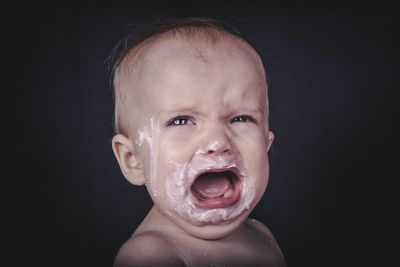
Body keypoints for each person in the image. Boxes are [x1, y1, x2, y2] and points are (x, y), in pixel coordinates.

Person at [109, 17, 286, 267]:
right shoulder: (150, 255)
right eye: (182, 121)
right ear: (133, 160)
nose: (217, 141)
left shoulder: (261, 233)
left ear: (265, 146)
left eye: (241, 118)